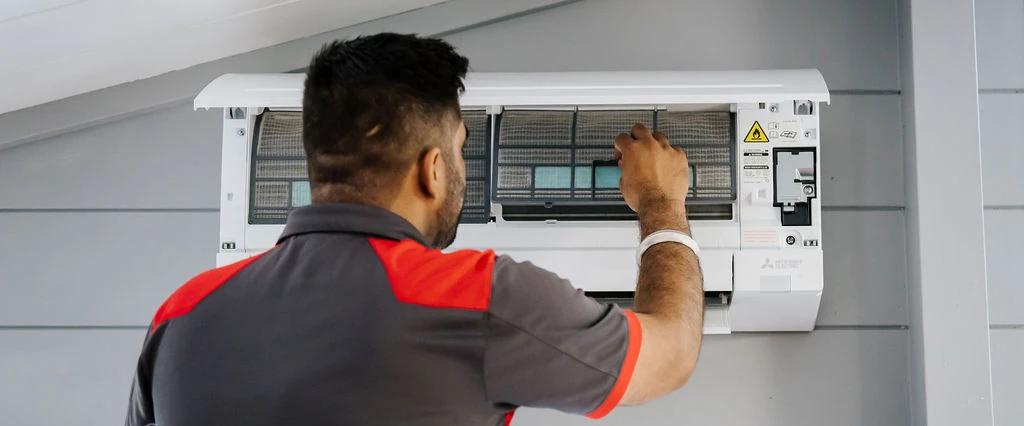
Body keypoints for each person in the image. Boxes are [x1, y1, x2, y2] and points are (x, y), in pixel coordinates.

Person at [124, 32, 704, 426]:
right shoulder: (477, 297)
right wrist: (659, 202)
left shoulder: (180, 315)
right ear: (432, 170)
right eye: (458, 150)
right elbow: (671, 353)